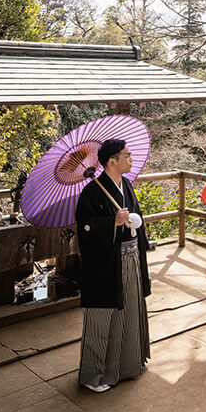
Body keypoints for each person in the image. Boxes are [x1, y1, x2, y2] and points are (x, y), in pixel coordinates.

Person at [75, 138, 151, 392]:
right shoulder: (91, 192)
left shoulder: (126, 185)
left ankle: (127, 366)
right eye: (126, 156)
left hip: (130, 257)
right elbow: (85, 228)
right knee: (102, 317)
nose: (131, 159)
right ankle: (93, 375)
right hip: (105, 264)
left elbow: (136, 217)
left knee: (130, 309)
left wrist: (132, 223)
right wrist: (112, 223)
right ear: (112, 161)